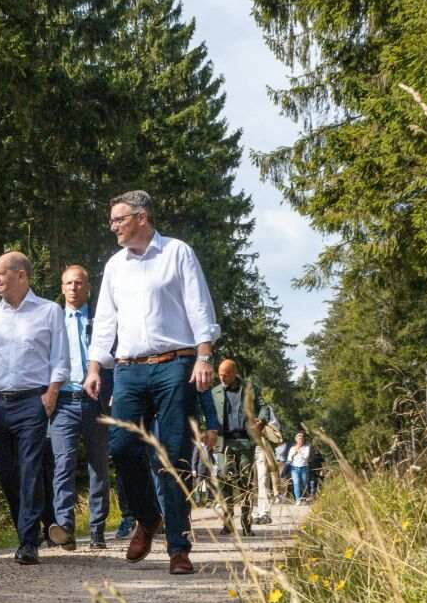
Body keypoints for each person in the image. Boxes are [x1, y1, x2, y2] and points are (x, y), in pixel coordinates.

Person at [83, 190, 220, 575]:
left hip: (176, 364)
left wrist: (204, 355)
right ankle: (148, 517)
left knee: (174, 455)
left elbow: (199, 305)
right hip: (128, 368)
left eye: (119, 219)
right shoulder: (114, 266)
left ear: (141, 217)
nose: (113, 227)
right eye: (112, 221)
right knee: (122, 446)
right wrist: (94, 368)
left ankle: (179, 547)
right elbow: (105, 320)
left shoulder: (177, 252)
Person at [0, 252, 69, 565]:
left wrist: (52, 392)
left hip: (32, 402)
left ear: (21, 275)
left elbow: (60, 357)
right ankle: (31, 528)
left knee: (30, 469)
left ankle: (27, 542)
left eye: (1, 273)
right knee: (7, 474)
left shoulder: (49, 311)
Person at [47, 265, 112, 551]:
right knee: (63, 465)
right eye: (68, 283)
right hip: (63, 401)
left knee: (99, 466)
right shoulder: (53, 321)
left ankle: (97, 530)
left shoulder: (101, 321)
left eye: (78, 283)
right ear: (62, 288)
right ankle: (65, 528)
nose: (73, 287)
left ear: (88, 287)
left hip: (96, 401)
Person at [207, 359, 280, 534]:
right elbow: (207, 413)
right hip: (223, 443)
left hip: (246, 441)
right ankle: (228, 523)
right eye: (220, 375)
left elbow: (264, 407)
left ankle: (246, 524)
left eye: (226, 375)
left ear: (234, 373)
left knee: (246, 482)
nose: (222, 378)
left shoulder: (250, 388)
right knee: (224, 480)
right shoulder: (215, 392)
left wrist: (261, 420)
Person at [288, 431, 312, 502]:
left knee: (304, 483)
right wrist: (294, 453)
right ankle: (298, 500)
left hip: (304, 467)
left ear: (303, 439)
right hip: (294, 468)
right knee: (296, 483)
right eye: (299, 438)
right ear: (296, 439)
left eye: (301, 438)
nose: (300, 439)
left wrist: (299, 451)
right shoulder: (292, 448)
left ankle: (304, 497)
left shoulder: (306, 447)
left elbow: (306, 457)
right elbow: (289, 459)